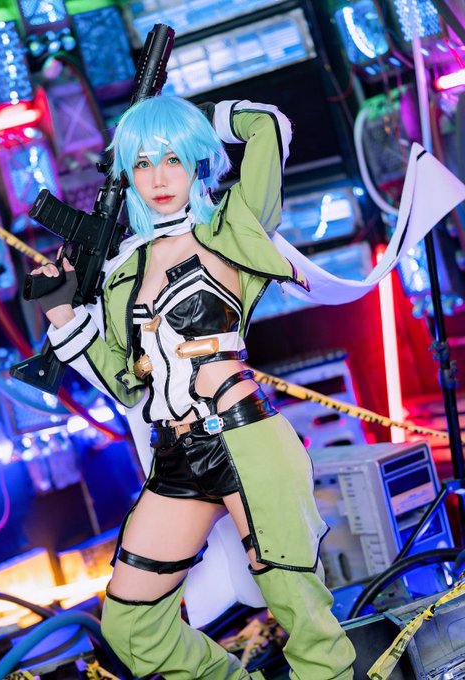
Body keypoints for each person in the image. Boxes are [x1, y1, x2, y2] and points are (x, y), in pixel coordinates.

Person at [31, 96, 356, 679]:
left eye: (173, 159)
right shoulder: (124, 271)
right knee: (132, 628)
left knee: (304, 618)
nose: (158, 178)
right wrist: (62, 317)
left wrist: (197, 117)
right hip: (177, 455)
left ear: (196, 161)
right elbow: (126, 385)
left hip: (244, 439)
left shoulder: (232, 227)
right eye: (143, 163)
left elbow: (266, 127)